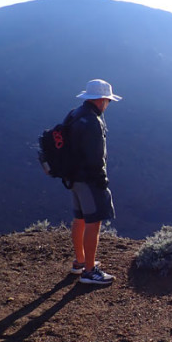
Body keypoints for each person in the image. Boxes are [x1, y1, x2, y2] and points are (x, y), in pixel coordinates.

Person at [66, 79, 121, 284]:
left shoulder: (75, 114)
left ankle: (80, 262)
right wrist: (102, 182)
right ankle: (89, 271)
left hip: (72, 177)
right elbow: (96, 157)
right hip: (89, 180)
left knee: (79, 218)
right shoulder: (93, 122)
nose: (108, 104)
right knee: (93, 222)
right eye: (108, 100)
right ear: (100, 100)